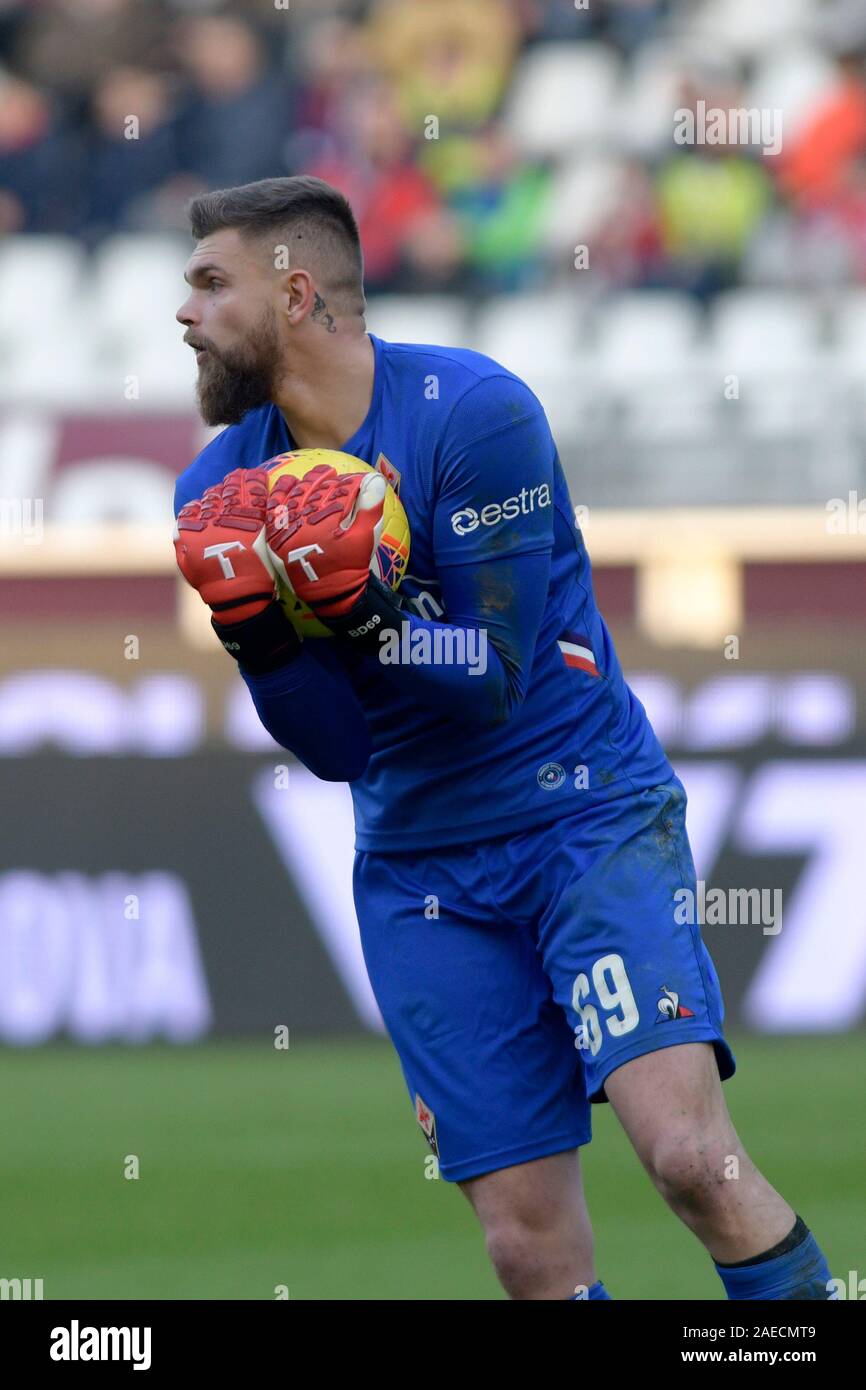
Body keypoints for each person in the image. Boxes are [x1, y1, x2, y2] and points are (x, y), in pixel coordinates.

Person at [172, 175, 833, 1301]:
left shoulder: (471, 413)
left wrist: (365, 611)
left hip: (581, 822)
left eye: (208, 284)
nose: (183, 313)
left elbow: (492, 677)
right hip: (421, 867)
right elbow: (334, 751)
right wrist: (258, 637)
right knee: (526, 1253)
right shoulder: (220, 485)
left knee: (688, 1160)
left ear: (293, 294)